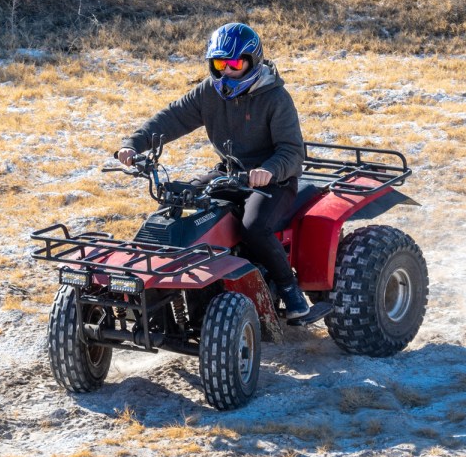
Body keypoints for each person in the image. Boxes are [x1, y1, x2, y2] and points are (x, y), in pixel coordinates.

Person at [116, 22, 321, 321]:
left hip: (274, 181)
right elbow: (172, 118)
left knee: (253, 226)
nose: (226, 72)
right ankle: (156, 293)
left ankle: (290, 291)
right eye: (219, 64)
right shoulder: (209, 92)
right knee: (176, 208)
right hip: (228, 173)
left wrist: (268, 170)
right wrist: (134, 144)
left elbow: (292, 152)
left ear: (253, 61)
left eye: (234, 64)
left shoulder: (275, 98)